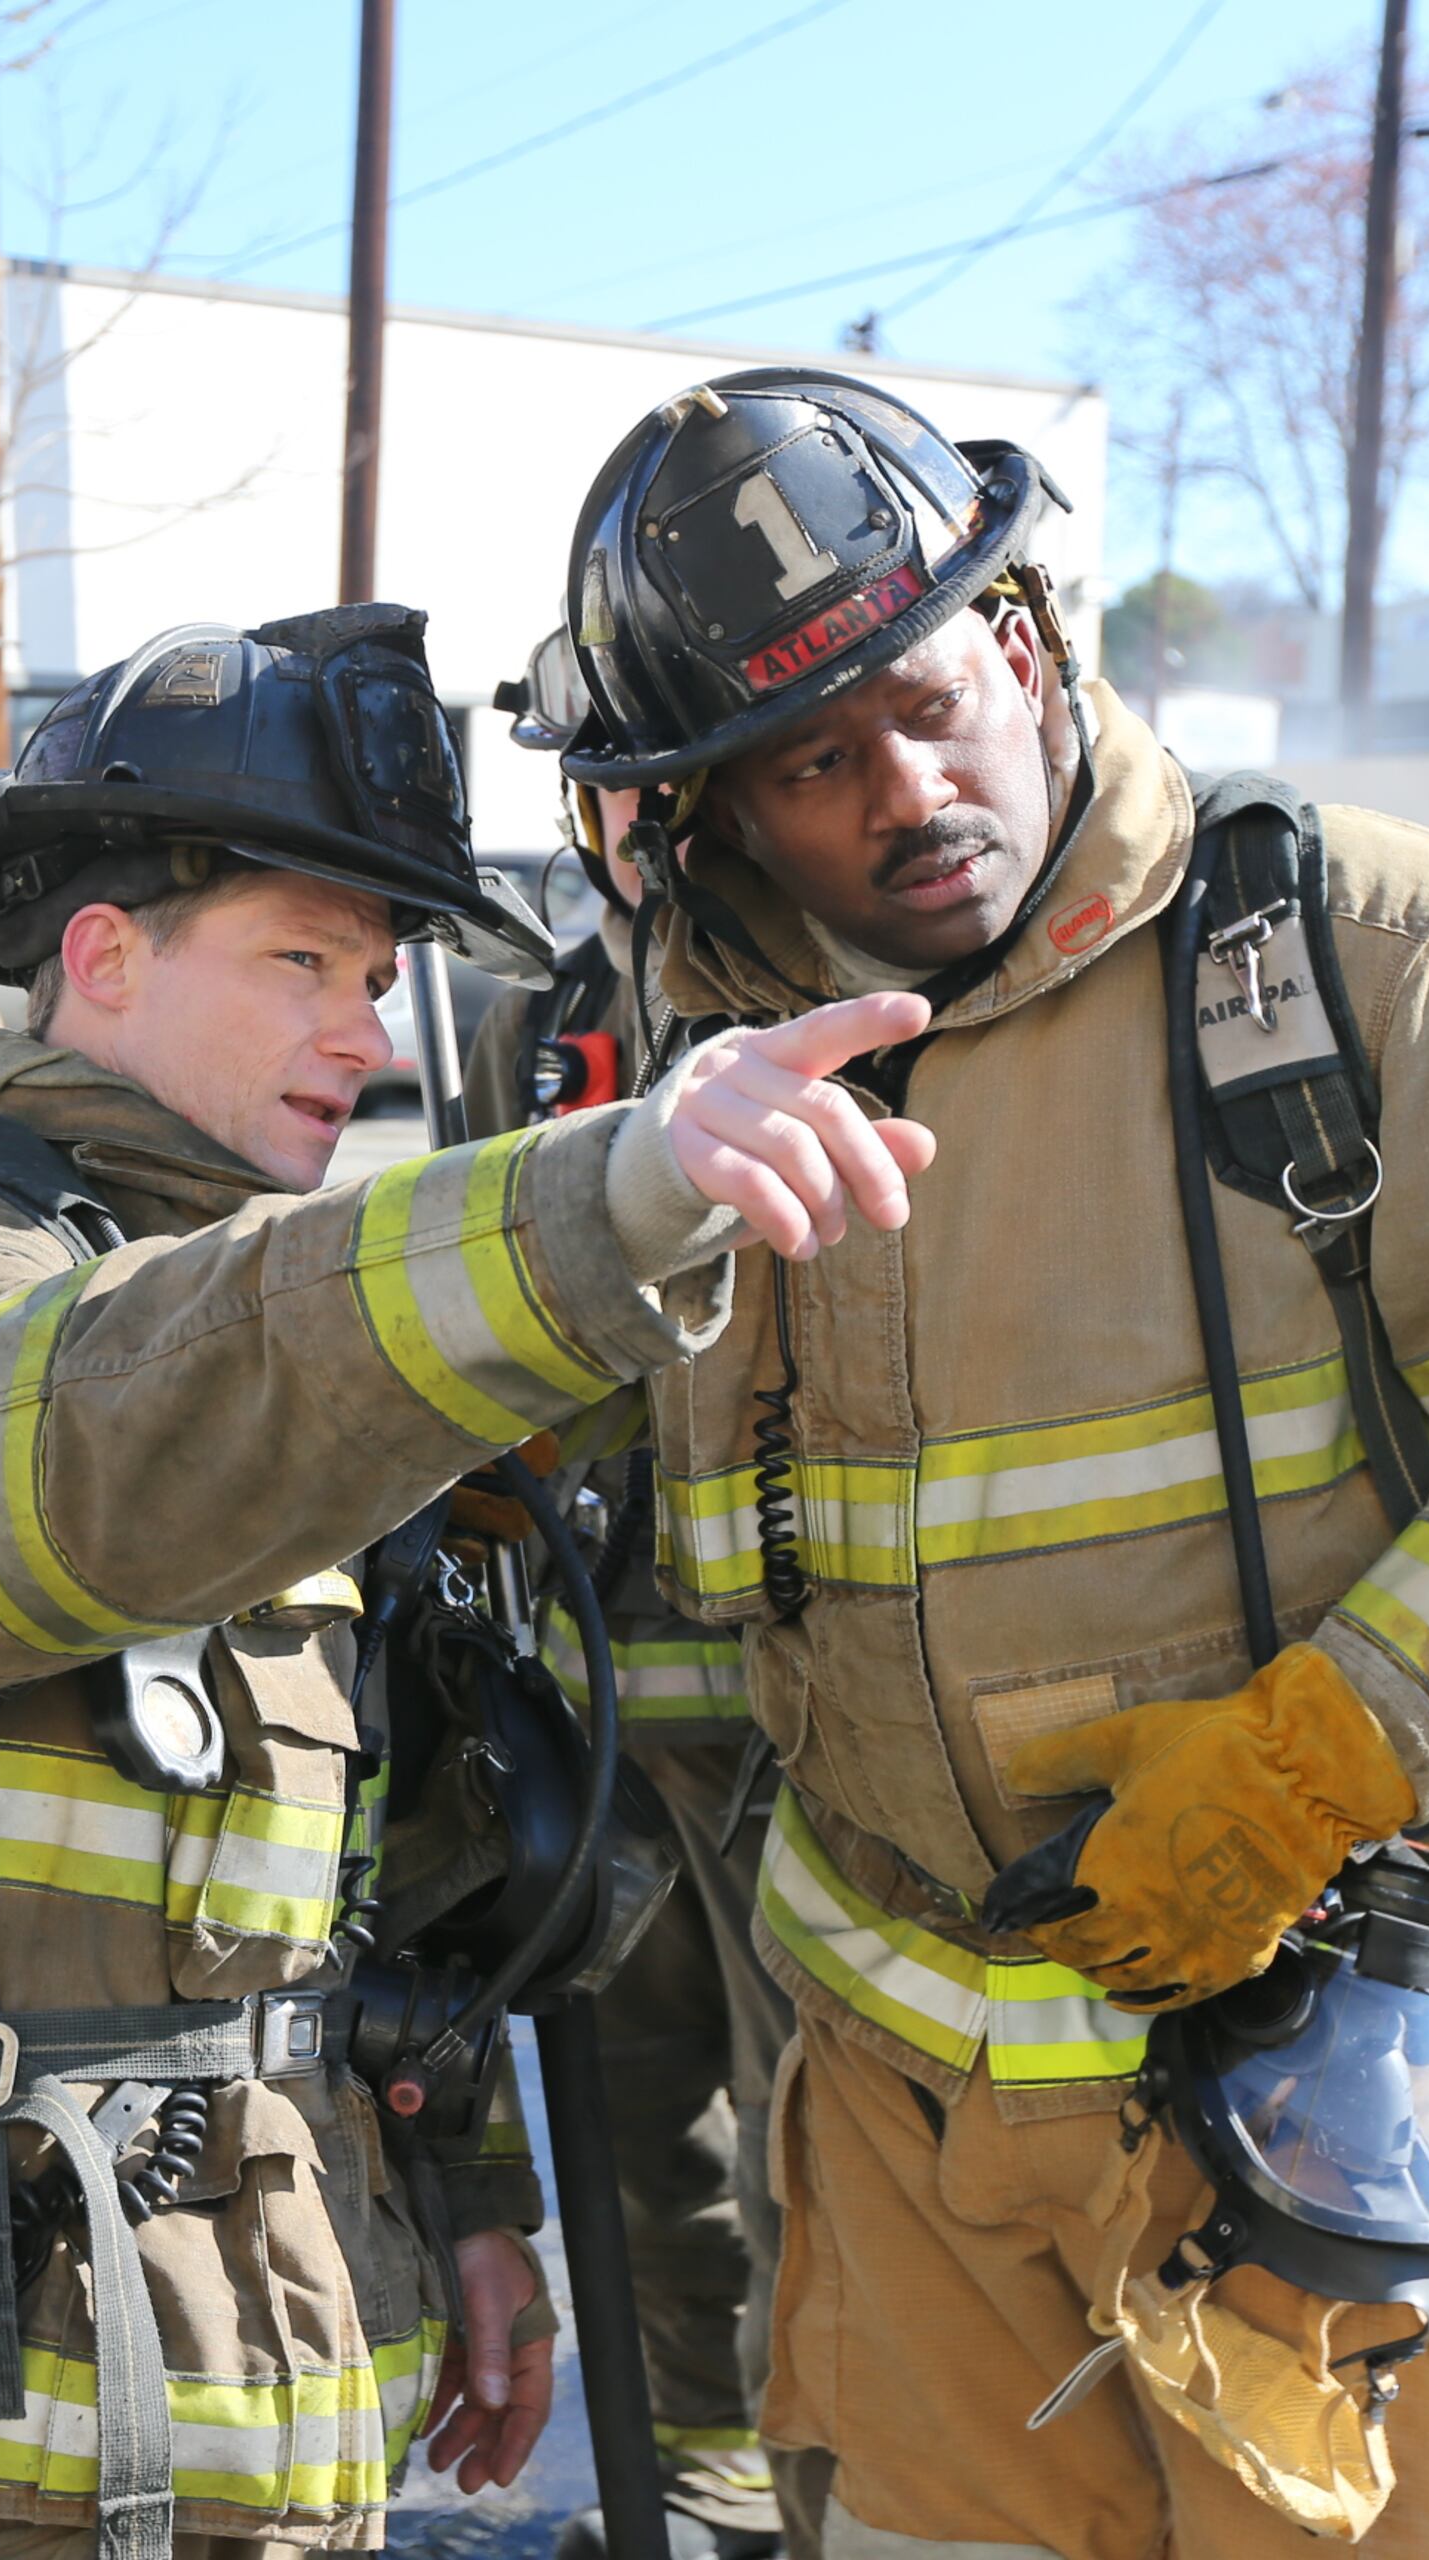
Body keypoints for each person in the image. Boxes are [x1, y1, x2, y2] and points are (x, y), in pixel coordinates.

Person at [555, 367, 1429, 2558]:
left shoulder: (1410, 964)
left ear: (1030, 644)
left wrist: (1320, 1759)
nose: (909, 792)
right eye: (813, 760)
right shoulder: (715, 1090)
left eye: (931, 701)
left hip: (1348, 2081)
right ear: (710, 816)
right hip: (910, 2132)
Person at [0, 601, 939, 2560]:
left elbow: (367, 1868)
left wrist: (473, 2204)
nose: (367, 1032)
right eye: (301, 962)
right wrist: (597, 1206)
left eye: (379, 976)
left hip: (263, 2406)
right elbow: (120, 1423)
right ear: (105, 957)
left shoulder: (268, 1327)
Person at [470, 633, 789, 2560]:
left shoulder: (860, 998)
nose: (641, 824)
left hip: (806, 1697)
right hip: (601, 1673)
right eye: (609, 785)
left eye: (671, 778)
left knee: (824, 2120)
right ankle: (706, 2480)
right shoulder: (544, 1016)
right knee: (643, 2113)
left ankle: (845, 2493)